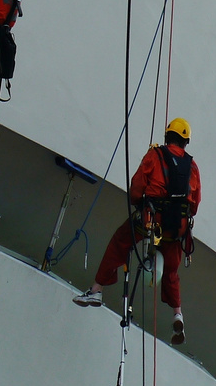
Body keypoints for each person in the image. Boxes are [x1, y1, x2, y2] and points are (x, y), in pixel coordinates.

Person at [72, 118, 200, 345]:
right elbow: (195, 203)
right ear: (185, 142)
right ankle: (178, 314)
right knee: (171, 269)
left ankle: (97, 289)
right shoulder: (193, 167)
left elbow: (137, 185)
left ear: (167, 136)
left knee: (121, 241)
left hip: (153, 220)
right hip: (177, 228)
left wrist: (137, 203)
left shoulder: (155, 156)